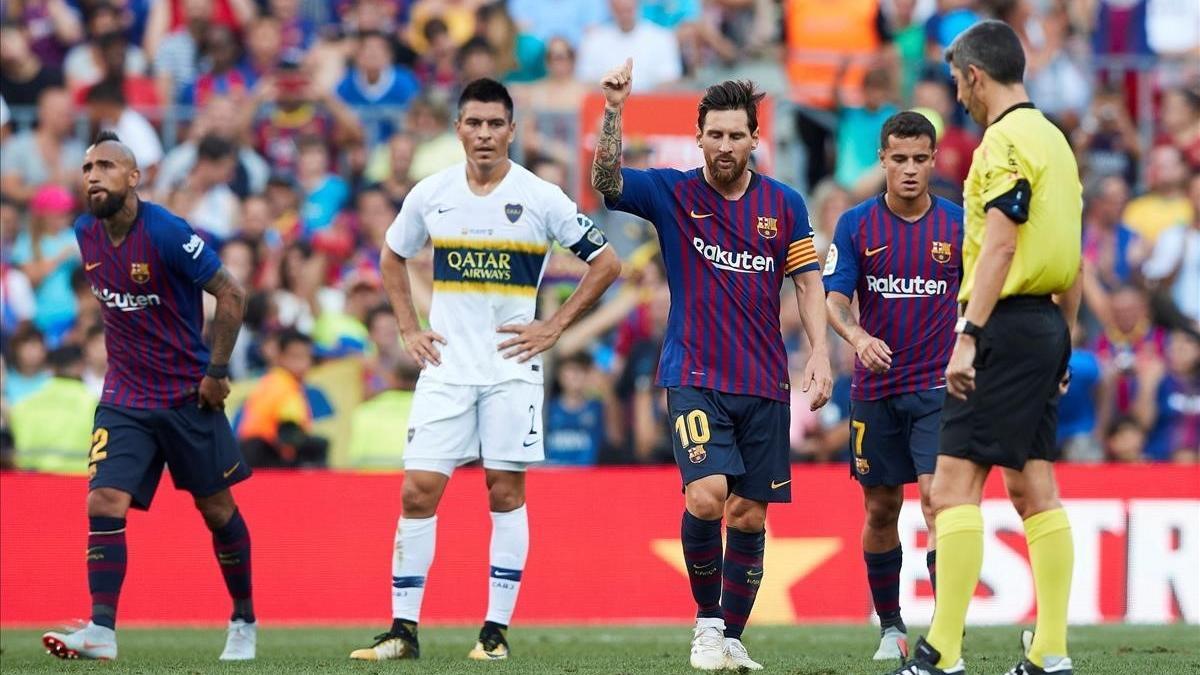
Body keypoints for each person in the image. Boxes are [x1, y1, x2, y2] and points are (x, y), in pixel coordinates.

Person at [350, 78, 621, 662]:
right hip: (446, 368)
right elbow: (392, 256)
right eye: (474, 123)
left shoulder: (541, 197)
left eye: (495, 124)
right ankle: (403, 630)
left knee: (505, 492)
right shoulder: (432, 193)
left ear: (512, 131)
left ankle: (494, 632)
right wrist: (406, 326)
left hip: (510, 370)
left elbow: (607, 262)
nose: (484, 134)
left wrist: (554, 328)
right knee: (418, 491)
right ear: (458, 130)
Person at [592, 60, 833, 671]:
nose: (725, 146)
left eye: (736, 135)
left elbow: (807, 284)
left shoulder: (784, 205)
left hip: (766, 383)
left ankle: (731, 637)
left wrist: (821, 354)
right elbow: (607, 182)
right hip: (695, 376)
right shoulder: (673, 193)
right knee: (707, 496)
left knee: (749, 513)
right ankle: (705, 623)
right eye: (715, 134)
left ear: (756, 139)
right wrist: (616, 109)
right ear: (698, 136)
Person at [886, 21, 1083, 675]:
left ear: (974, 76)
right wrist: (1066, 337)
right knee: (1033, 487)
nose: (958, 97)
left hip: (1001, 324)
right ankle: (1050, 649)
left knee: (951, 486)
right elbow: (1073, 258)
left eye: (957, 83)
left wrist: (968, 336)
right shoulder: (1054, 140)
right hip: (1048, 322)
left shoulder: (1002, 141)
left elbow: (1000, 243)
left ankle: (940, 653)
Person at [40, 131, 255, 662]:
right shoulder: (84, 232)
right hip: (125, 396)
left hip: (187, 395)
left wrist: (217, 369)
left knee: (217, 509)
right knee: (103, 500)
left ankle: (244, 619)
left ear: (133, 178)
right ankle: (102, 631)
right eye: (88, 167)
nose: (93, 175)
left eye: (107, 166)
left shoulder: (166, 233)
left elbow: (232, 293)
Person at [824, 110, 964, 662]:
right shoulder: (856, 225)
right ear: (881, 159)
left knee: (938, 503)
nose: (908, 169)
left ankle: (944, 631)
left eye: (919, 159)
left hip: (937, 390)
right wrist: (857, 337)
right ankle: (890, 627)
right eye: (898, 159)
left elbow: (980, 295)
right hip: (874, 392)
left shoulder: (957, 226)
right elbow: (834, 300)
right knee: (881, 508)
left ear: (933, 160)